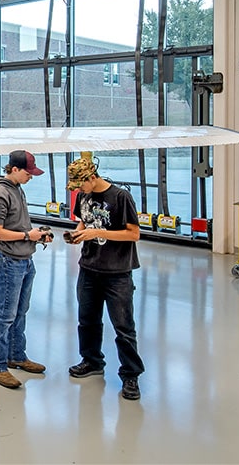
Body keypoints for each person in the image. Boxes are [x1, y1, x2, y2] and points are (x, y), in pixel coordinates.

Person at [65, 157, 145, 400]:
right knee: (87, 319)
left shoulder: (121, 197)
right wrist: (78, 234)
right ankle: (91, 360)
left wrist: (98, 233)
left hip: (117, 272)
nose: (79, 190)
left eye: (81, 184)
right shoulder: (83, 196)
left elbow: (134, 234)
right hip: (89, 268)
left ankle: (130, 375)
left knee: (123, 326)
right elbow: (83, 221)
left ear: (92, 177)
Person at [0, 149, 53, 389]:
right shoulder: (1, 194)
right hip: (11, 262)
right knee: (5, 315)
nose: (31, 176)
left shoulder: (18, 188)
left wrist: (36, 236)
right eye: (28, 172)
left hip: (26, 260)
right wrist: (27, 236)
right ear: (14, 169)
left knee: (21, 311)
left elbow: (17, 225)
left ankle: (16, 355)